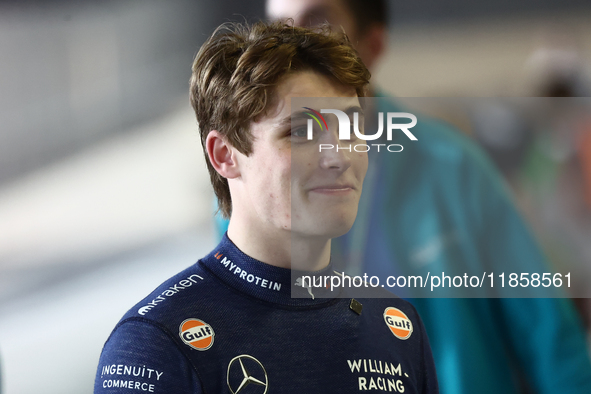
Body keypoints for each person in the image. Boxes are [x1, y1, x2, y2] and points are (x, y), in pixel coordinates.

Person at [205, 1, 591, 393]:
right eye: (276, 25)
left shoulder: (451, 167)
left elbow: (550, 337)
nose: (288, 42)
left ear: (373, 45)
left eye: (317, 22)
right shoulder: (248, 194)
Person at [94, 21, 439, 393]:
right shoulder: (155, 348)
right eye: (302, 132)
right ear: (224, 155)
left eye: (352, 129)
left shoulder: (398, 327)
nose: (339, 156)